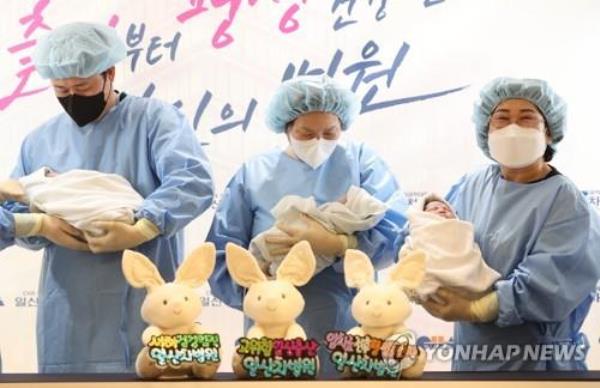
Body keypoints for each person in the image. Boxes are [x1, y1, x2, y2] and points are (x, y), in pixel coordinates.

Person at [2, 22, 214, 373]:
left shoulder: (154, 120)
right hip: (70, 310)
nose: (71, 96)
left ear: (110, 73)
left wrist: (144, 225)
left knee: (150, 367)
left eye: (82, 86)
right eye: (61, 88)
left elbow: (193, 181)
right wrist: (40, 224)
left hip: (149, 301)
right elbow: (13, 211)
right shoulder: (39, 141)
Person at [206, 74, 409, 375]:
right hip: (272, 326)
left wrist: (343, 245)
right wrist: (257, 287)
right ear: (286, 128)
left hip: (348, 322)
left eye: (330, 133)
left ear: (343, 127)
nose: (318, 142)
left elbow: (394, 231)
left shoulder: (361, 162)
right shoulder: (255, 173)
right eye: (306, 133)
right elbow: (223, 251)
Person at [421, 77, 600, 370]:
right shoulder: (472, 185)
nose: (512, 129)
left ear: (550, 133)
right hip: (471, 358)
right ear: (486, 131)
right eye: (501, 120)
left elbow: (549, 285)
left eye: (526, 119)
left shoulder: (566, 202)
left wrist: (478, 307)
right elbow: (440, 239)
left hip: (533, 363)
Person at [399, 193, 500, 303]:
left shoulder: (460, 228)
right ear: (422, 216)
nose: (442, 210)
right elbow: (408, 252)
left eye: (446, 209)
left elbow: (470, 250)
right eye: (434, 209)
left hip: (466, 274)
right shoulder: (421, 230)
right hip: (432, 275)